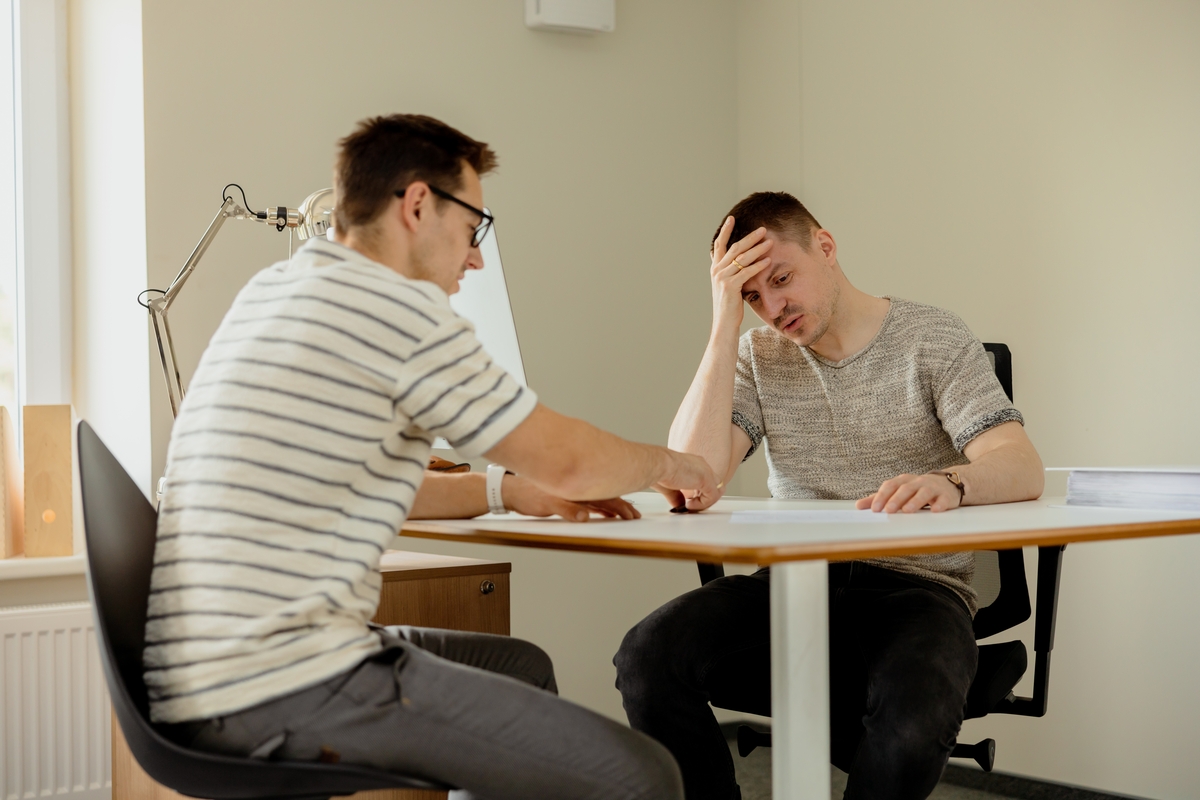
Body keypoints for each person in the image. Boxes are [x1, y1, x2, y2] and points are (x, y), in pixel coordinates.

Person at [147, 113, 721, 800]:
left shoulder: (276, 291)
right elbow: (569, 460)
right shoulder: (394, 310)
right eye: (474, 226)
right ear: (418, 204)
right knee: (643, 777)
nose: (475, 256)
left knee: (519, 667)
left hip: (203, 674)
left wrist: (509, 491)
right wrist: (672, 464)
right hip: (282, 683)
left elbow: (363, 482)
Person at [614, 192, 1044, 800]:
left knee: (916, 713)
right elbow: (693, 479)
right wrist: (721, 327)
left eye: (782, 278)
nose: (773, 307)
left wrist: (951, 481)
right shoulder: (756, 356)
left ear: (826, 246)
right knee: (647, 656)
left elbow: (1021, 465)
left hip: (917, 589)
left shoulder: (932, 337)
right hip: (794, 582)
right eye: (751, 296)